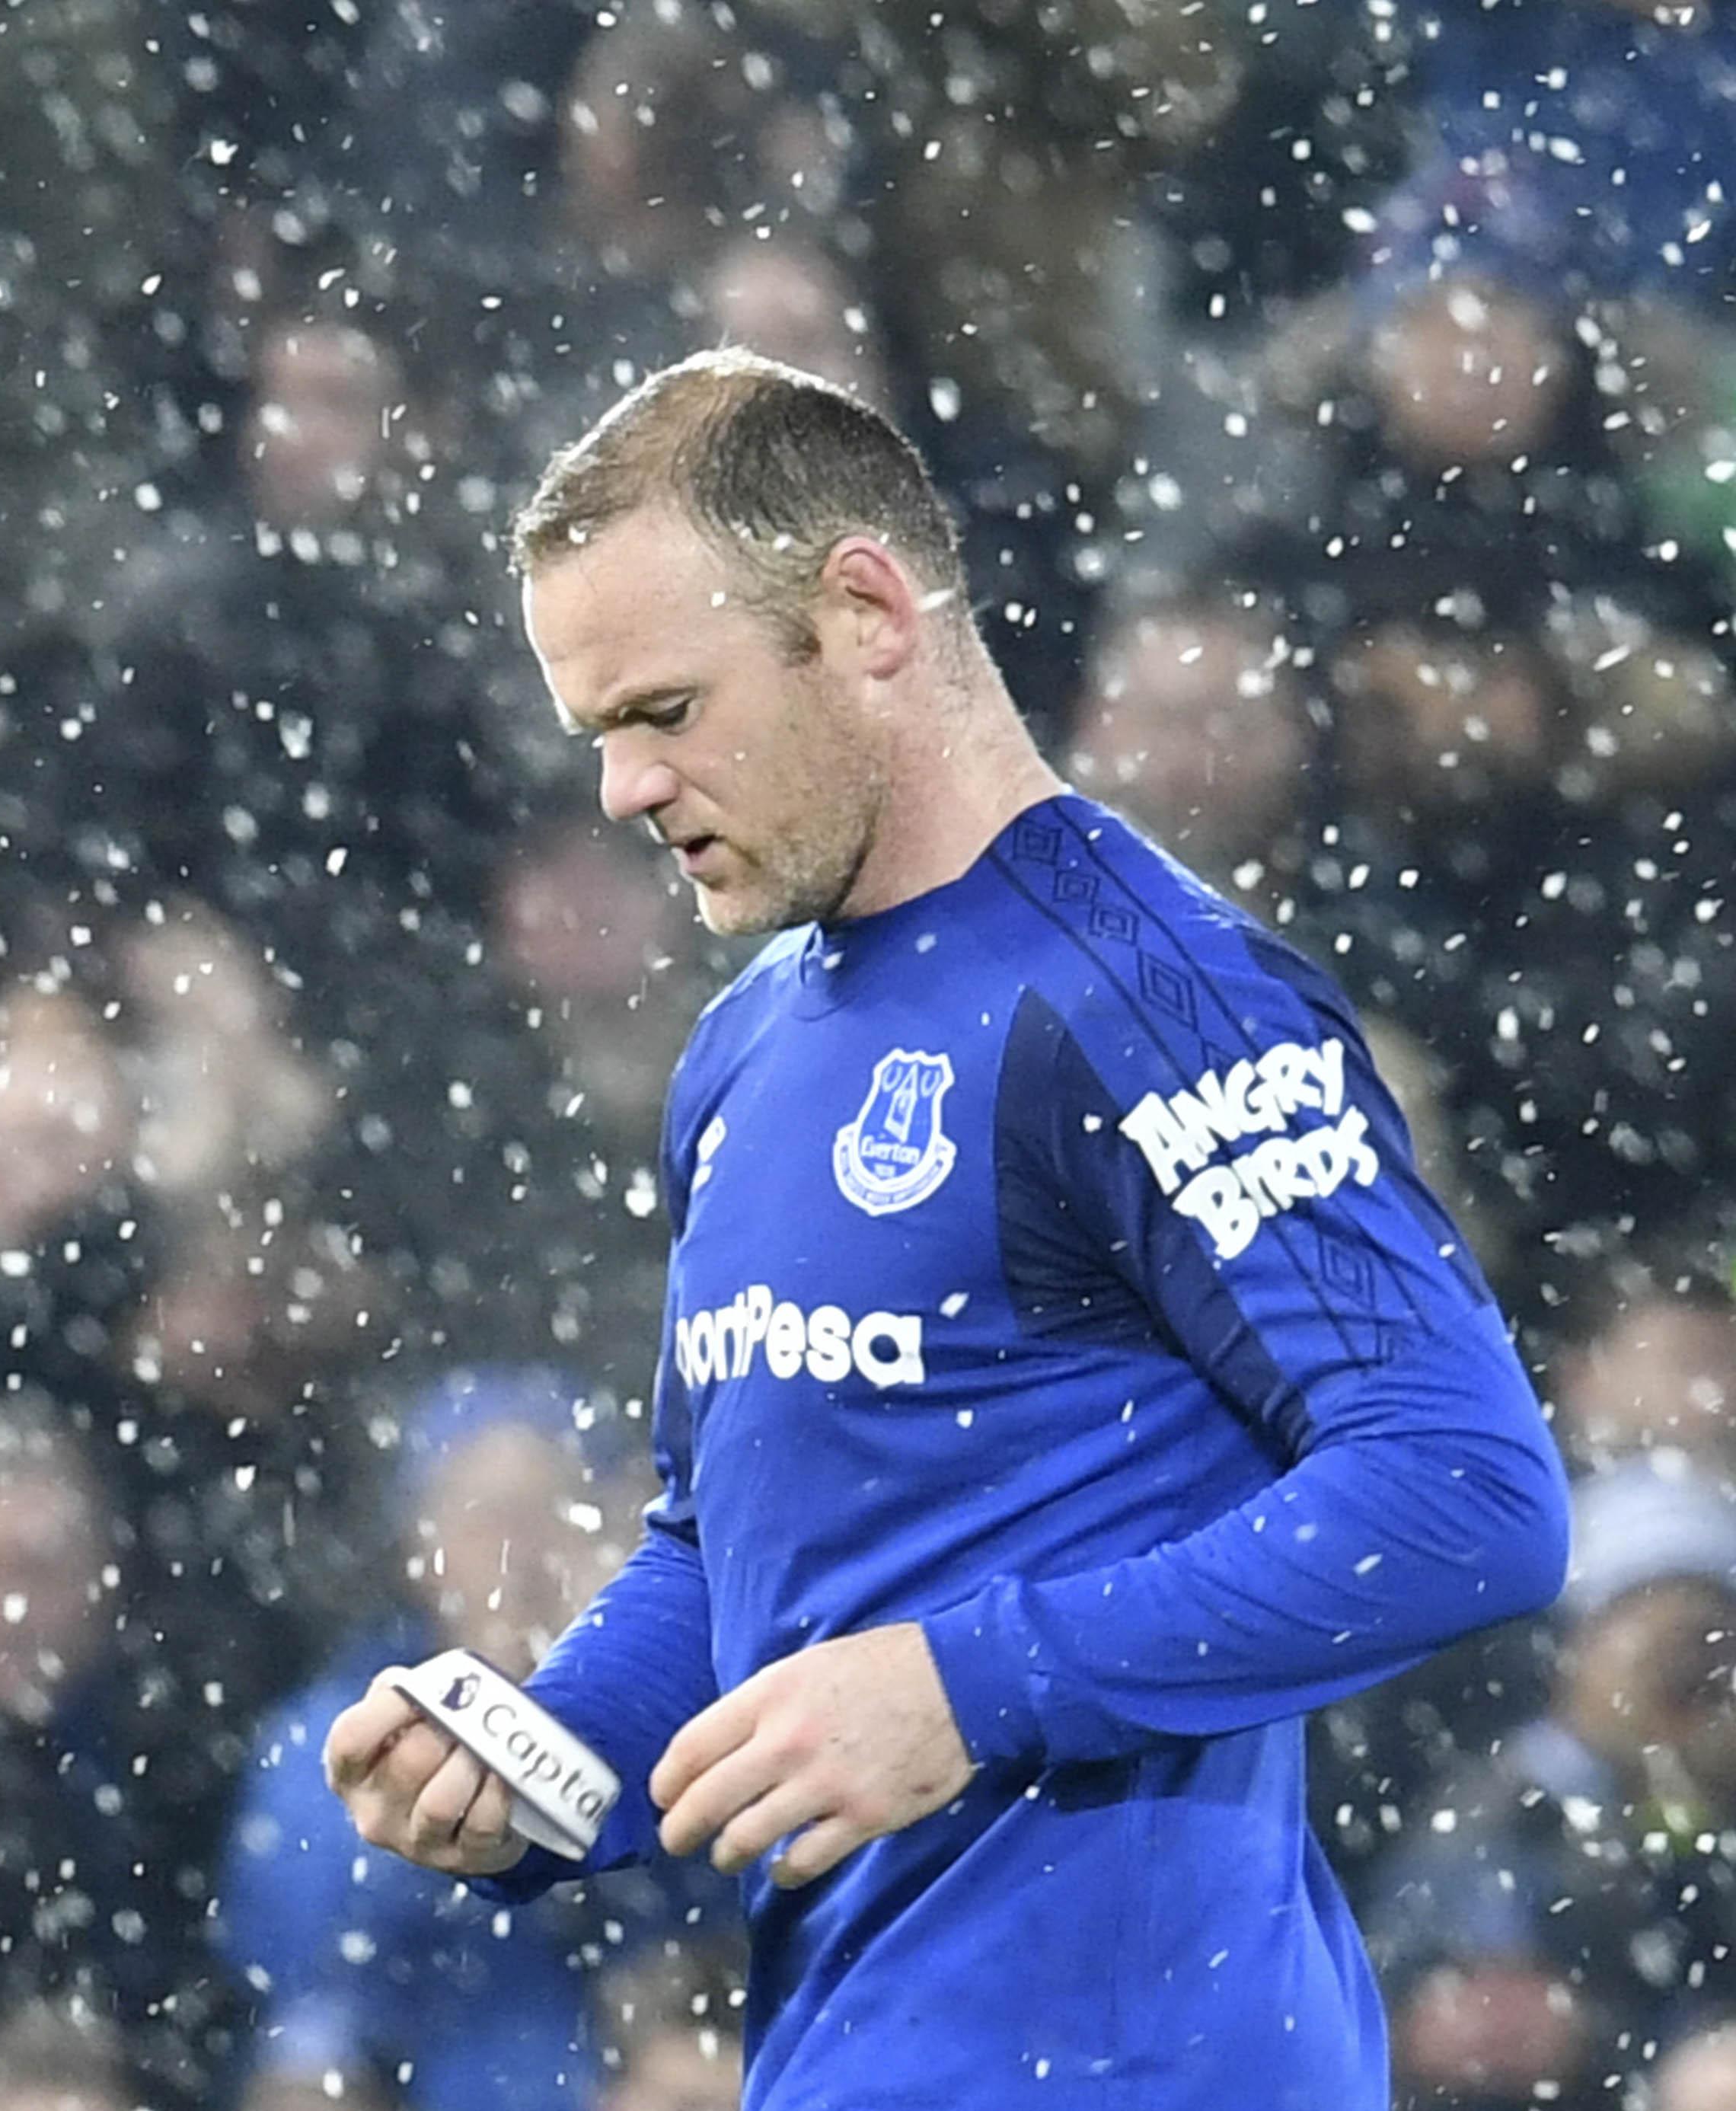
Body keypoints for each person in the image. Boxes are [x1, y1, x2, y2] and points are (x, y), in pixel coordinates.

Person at [321, 348, 1572, 2107]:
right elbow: (731, 1548)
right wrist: (539, 1777)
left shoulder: (1153, 997)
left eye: (664, 711)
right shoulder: (746, 1044)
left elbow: (1466, 1496)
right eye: (597, 733)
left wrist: (971, 1686)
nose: (619, 790)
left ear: (864, 614)